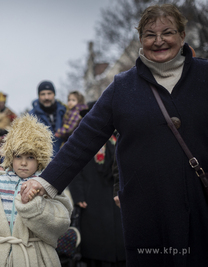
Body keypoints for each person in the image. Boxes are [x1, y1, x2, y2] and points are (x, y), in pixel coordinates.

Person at [21, 4, 208, 266]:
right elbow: (84, 139)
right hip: (145, 210)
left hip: (200, 204)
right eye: (150, 35)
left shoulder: (204, 76)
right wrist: (45, 182)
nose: (159, 41)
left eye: (167, 32)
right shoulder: (123, 86)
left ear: (182, 35)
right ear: (140, 40)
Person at [0, 114, 72, 267]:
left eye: (30, 157)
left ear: (40, 158)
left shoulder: (48, 183)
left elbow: (62, 221)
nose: (23, 163)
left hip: (35, 257)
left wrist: (34, 207)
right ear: (10, 156)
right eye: (18, 156)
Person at [68, 102, 126, 267]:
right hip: (91, 195)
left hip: (116, 194)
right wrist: (78, 195)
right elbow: (73, 168)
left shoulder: (118, 136)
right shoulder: (80, 139)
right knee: (96, 244)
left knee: (120, 241)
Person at [29, 81, 66, 156]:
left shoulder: (65, 112)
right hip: (44, 160)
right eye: (43, 94)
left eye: (49, 93)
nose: (46, 97)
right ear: (38, 96)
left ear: (54, 94)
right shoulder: (31, 116)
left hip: (65, 157)